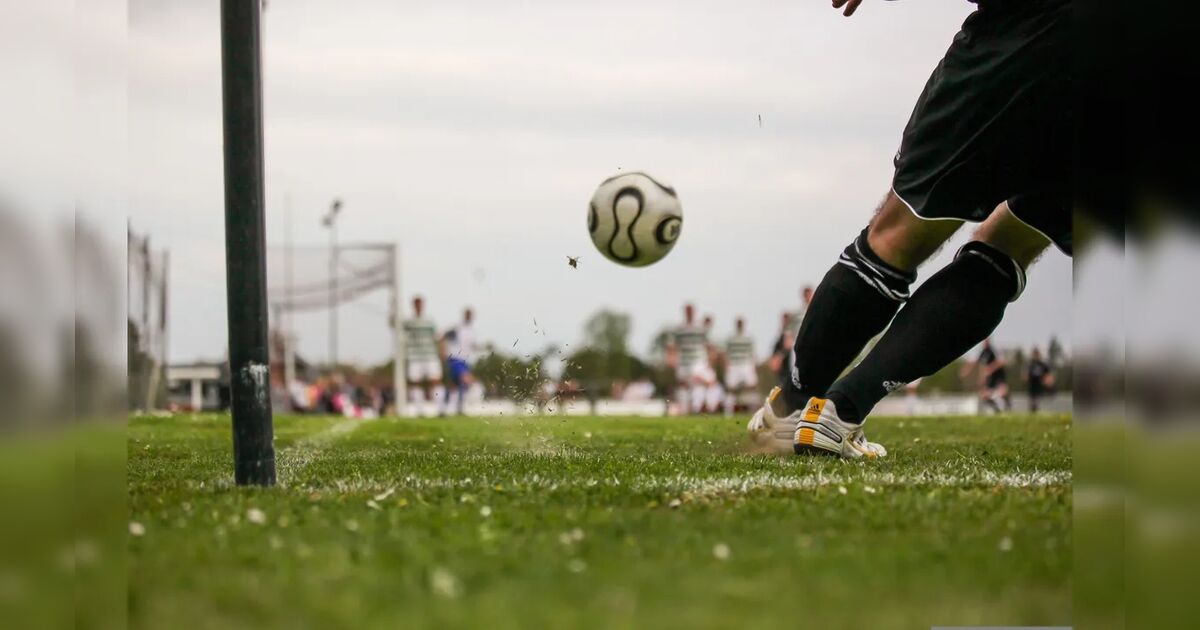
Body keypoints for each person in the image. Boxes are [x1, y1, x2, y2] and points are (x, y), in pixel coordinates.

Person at [749, 0, 1070, 458]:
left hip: (1024, 31)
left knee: (896, 236)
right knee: (1013, 243)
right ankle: (839, 412)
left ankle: (793, 408)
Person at [665, 304, 713, 415]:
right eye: (687, 311)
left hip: (697, 360)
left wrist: (710, 359)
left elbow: (707, 343)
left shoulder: (700, 327)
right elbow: (672, 345)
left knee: (697, 381)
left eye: (691, 311)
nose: (689, 313)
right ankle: (684, 409)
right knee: (683, 384)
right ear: (685, 312)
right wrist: (671, 358)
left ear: (694, 312)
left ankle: (696, 407)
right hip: (683, 361)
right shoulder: (679, 328)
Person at [403, 296, 442, 416]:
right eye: (416, 304)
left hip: (430, 355)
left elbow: (437, 337)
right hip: (415, 357)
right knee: (415, 382)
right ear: (413, 306)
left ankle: (440, 409)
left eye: (420, 304)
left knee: (435, 381)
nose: (418, 306)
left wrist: (442, 351)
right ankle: (419, 410)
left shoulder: (429, 321)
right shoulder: (408, 322)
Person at [439, 307, 477, 416]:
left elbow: (471, 345)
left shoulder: (471, 330)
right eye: (467, 314)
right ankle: (456, 408)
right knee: (466, 379)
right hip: (455, 359)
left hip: (465, 360)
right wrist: (442, 351)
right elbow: (442, 337)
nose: (469, 316)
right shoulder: (457, 328)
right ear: (464, 315)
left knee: (454, 385)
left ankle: (447, 409)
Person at [964, 338, 1011, 413]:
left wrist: (990, 369)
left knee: (1003, 392)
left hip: (999, 376)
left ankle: (1007, 407)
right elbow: (977, 363)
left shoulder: (994, 350)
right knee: (983, 395)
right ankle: (997, 409)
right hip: (990, 378)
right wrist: (980, 377)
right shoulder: (983, 352)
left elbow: (1001, 362)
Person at [723, 317, 758, 417]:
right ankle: (728, 413)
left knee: (752, 386)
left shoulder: (748, 338)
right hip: (734, 364)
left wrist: (753, 366)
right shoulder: (730, 338)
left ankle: (753, 411)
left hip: (746, 364)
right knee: (731, 388)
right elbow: (727, 353)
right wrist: (727, 365)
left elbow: (752, 353)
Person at [1025, 346, 1054, 412]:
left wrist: (1048, 382)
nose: (1036, 355)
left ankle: (1037, 410)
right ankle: (1033, 411)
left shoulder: (1043, 364)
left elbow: (1048, 375)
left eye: (1037, 354)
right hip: (1032, 385)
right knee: (1032, 402)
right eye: (1035, 354)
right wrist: (1026, 378)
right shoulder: (1030, 364)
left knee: (1038, 401)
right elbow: (1026, 375)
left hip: (1040, 385)